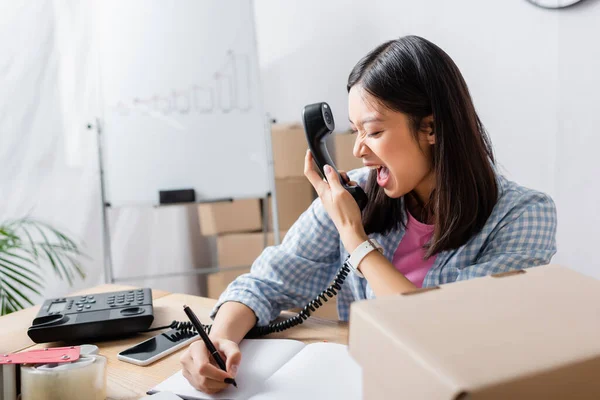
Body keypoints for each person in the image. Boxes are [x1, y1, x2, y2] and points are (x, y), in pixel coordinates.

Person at [179, 35, 557, 393]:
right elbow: (267, 280)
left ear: (431, 128)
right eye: (354, 130)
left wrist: (356, 241)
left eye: (373, 132)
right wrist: (219, 337)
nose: (359, 149)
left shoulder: (523, 215)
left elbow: (443, 330)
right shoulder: (356, 194)